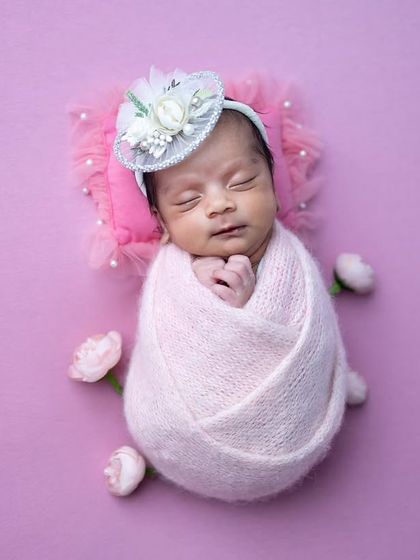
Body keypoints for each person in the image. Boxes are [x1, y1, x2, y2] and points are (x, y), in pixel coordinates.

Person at [113, 67, 367, 502]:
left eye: (242, 182)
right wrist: (204, 296)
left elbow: (309, 328)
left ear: (273, 187)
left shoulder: (290, 264)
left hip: (290, 427)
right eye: (189, 199)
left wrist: (250, 306)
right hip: (181, 430)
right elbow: (171, 340)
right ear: (165, 226)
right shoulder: (174, 279)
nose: (220, 204)